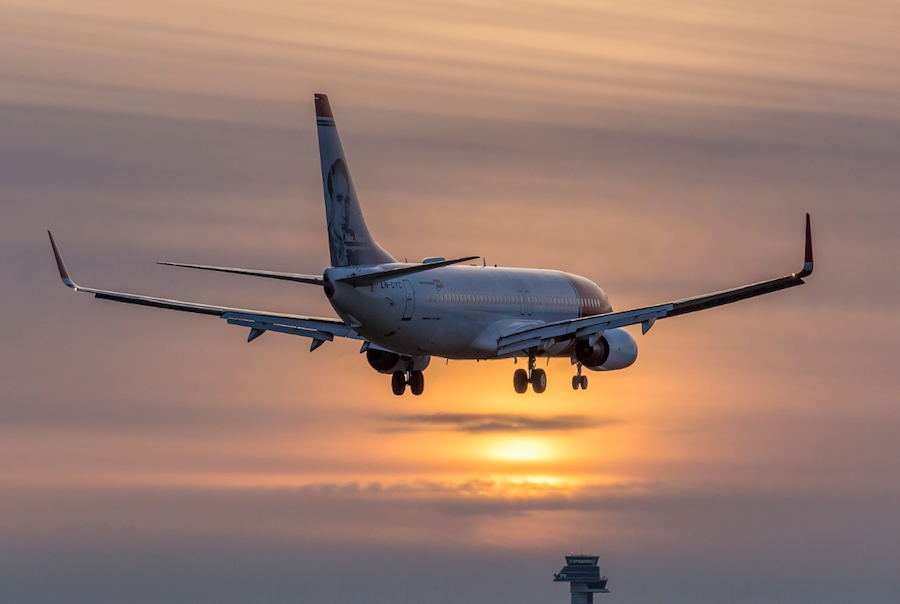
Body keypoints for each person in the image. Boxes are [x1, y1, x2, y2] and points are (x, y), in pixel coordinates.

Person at [326, 158, 364, 266]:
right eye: (339, 200)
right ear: (330, 202)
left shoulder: (356, 246)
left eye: (347, 201)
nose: (344, 213)